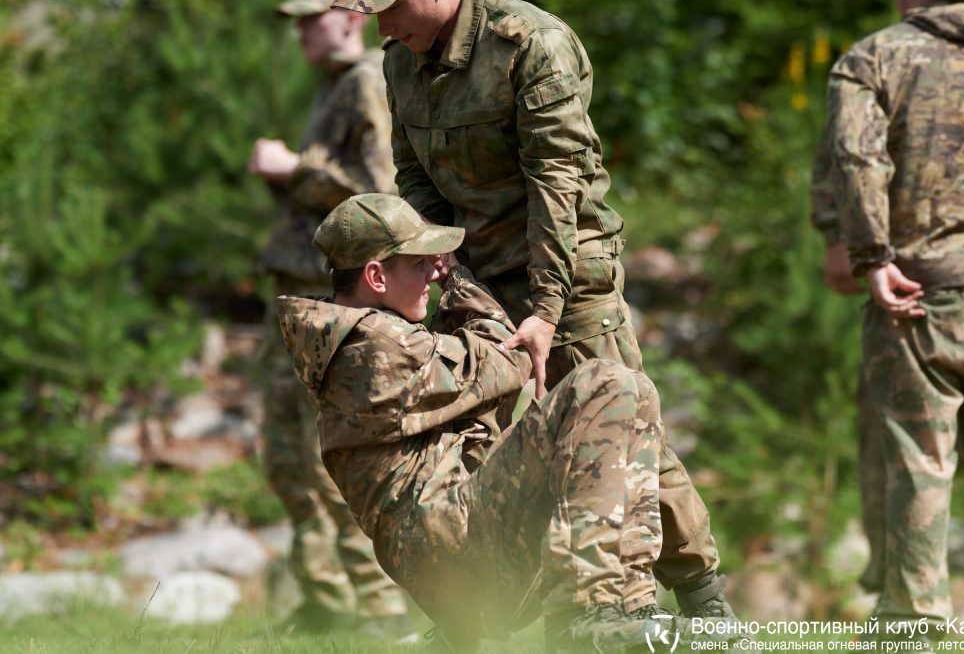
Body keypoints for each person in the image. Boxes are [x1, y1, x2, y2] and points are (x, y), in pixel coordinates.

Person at [329, 0, 735, 617]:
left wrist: (546, 311)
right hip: (477, 281)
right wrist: (442, 260)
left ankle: (702, 598)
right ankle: (488, 607)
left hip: (567, 276)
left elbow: (558, 188)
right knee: (477, 450)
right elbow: (414, 175)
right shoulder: (401, 62)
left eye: (390, 4)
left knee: (618, 422)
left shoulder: (530, 44)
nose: (381, 25)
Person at [277, 193, 733, 652]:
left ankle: (628, 605)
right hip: (453, 548)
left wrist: (446, 280)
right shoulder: (370, 348)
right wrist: (459, 276)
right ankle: (584, 609)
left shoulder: (363, 336)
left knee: (635, 391)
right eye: (421, 263)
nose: (433, 273)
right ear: (376, 275)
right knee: (599, 383)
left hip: (452, 542)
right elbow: (504, 362)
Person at [825, 0, 964, 648]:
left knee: (916, 464)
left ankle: (912, 632)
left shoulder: (874, 57)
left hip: (918, 295)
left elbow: (856, 158)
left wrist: (871, 257)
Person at [247, 0, 411, 636]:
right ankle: (324, 599)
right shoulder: (332, 88)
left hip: (326, 299)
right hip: (293, 293)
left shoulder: (368, 81)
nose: (302, 30)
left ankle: (376, 605)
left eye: (313, 16)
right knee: (284, 453)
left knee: (328, 455)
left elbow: (379, 195)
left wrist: (296, 170)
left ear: (351, 16)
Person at [809, 138, 887, 596]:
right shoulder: (883, 64)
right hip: (906, 271)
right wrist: (836, 231)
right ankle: (902, 605)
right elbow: (845, 135)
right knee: (893, 442)